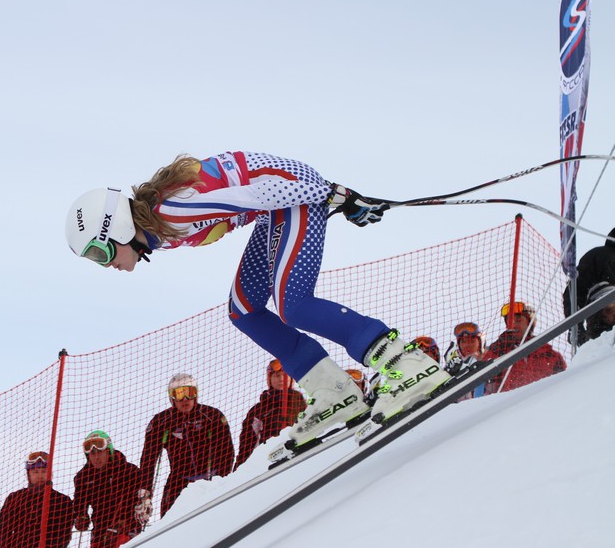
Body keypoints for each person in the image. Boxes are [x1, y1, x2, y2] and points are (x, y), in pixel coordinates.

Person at [65, 152, 449, 449]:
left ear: (114, 226)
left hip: (291, 194)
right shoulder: (161, 226)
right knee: (244, 310)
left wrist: (337, 195)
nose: (105, 264)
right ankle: (335, 393)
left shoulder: (173, 211)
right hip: (278, 207)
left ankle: (407, 364)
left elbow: (257, 192)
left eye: (100, 254)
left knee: (293, 303)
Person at [139, 374, 235, 517]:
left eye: (189, 393)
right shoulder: (161, 422)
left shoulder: (212, 416)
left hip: (211, 478)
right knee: (167, 521)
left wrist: (221, 480)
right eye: (179, 394)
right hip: (179, 481)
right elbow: (149, 458)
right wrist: (145, 493)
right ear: (172, 398)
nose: (185, 400)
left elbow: (227, 451)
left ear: (196, 394)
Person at [72, 430, 148, 548]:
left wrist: (144, 502)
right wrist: (80, 516)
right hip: (100, 533)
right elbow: (79, 503)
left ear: (109, 451)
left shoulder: (129, 471)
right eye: (92, 454)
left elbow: (143, 493)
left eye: (100, 452)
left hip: (127, 527)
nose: (96, 457)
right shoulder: (82, 478)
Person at [234, 359, 308, 469]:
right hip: (270, 459)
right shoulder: (258, 411)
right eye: (277, 375)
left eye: (285, 375)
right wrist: (240, 468)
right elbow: (247, 443)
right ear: (270, 379)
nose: (281, 379)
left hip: (301, 452)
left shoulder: (301, 403)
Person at [482, 302, 567, 393]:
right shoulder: (498, 350)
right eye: (510, 321)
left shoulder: (548, 354)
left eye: (519, 320)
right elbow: (483, 375)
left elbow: (564, 384)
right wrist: (500, 346)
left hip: (544, 402)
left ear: (529, 323)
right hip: (509, 403)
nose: (514, 325)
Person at [562, 226, 615, 345]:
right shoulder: (602, 256)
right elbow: (574, 291)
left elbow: (574, 292)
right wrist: (576, 328)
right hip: (599, 311)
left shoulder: (600, 255)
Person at [443, 321, 488, 398]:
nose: (467, 345)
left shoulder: (492, 356)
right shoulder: (455, 366)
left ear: (480, 342)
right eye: (463, 342)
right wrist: (449, 375)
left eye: (471, 341)